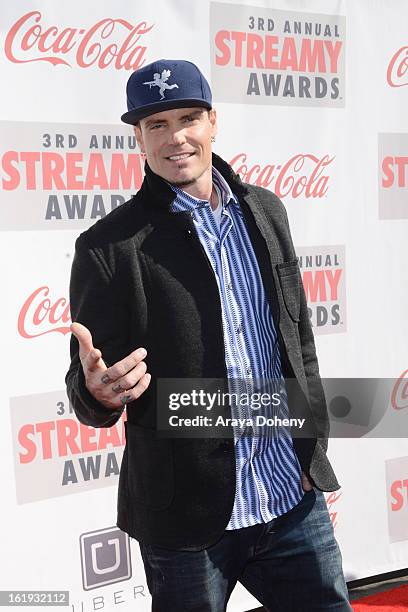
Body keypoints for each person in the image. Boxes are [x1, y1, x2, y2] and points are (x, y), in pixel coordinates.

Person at [66, 59, 352, 611]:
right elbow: (89, 383)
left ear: (213, 121)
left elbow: (299, 342)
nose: (176, 138)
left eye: (189, 117)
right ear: (138, 137)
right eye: (156, 124)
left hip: (291, 497)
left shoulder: (266, 211)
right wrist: (97, 392)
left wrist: (311, 445)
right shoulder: (107, 246)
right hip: (186, 521)